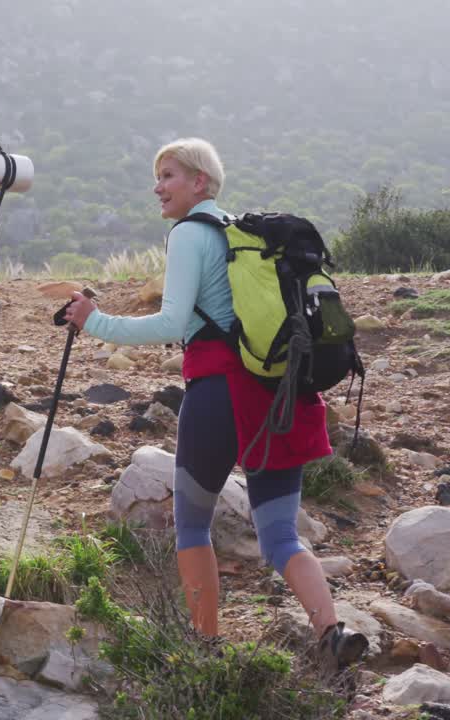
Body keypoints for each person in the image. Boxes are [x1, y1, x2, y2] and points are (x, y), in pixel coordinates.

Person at [62, 138, 367, 671]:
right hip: (279, 392)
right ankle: (331, 633)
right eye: (157, 176)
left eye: (169, 175)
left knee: (194, 525)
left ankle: (203, 648)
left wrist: (95, 321)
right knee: (280, 537)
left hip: (219, 395)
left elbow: (173, 323)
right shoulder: (243, 235)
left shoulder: (189, 235)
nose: (158, 187)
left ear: (199, 181)